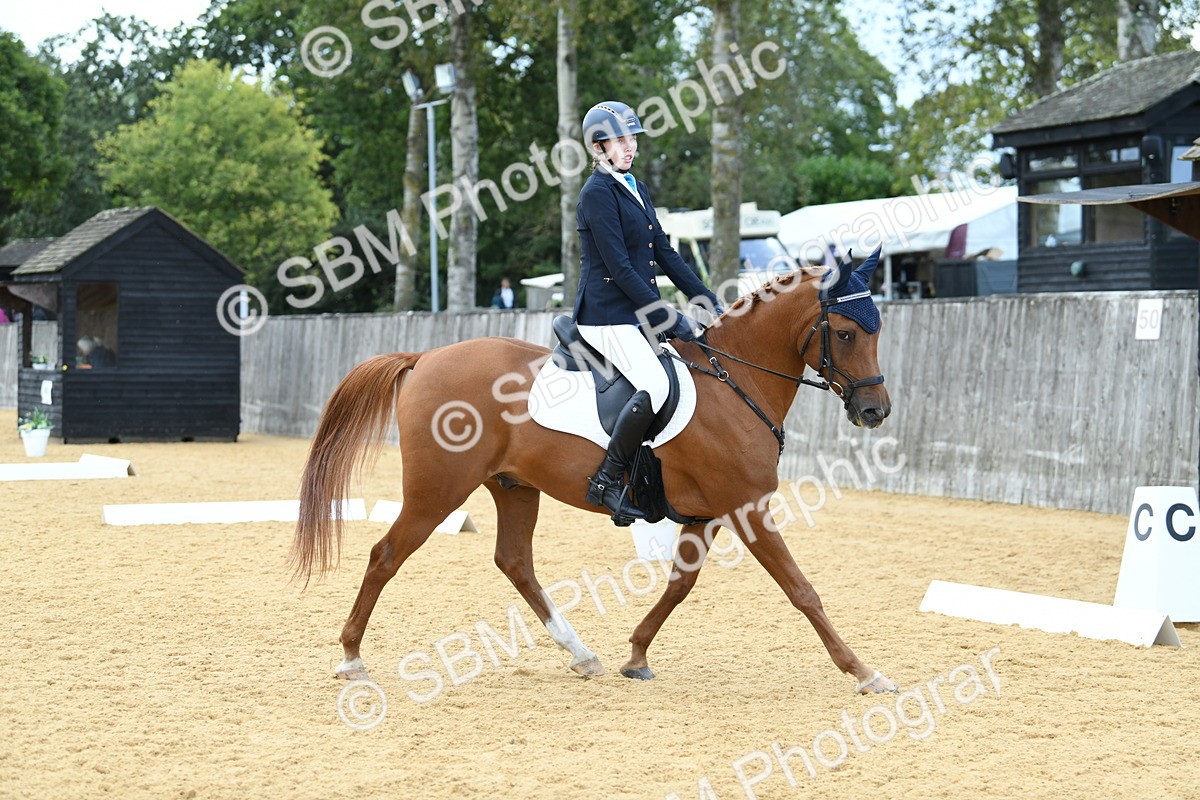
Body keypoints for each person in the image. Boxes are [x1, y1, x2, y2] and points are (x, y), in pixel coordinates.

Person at [573, 100, 723, 521]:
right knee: (656, 386)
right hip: (606, 315)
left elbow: (664, 252)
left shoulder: (635, 187)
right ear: (599, 146)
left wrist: (706, 299)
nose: (630, 147)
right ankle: (605, 481)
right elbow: (620, 268)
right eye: (620, 140)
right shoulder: (596, 194)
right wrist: (666, 316)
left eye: (633, 138)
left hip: (633, 312)